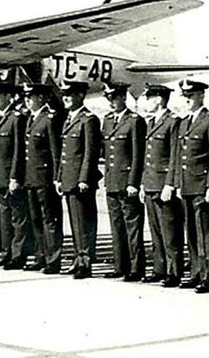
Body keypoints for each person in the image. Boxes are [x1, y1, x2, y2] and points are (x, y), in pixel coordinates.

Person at [173, 79, 209, 293]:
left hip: (203, 186)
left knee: (206, 232)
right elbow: (179, 156)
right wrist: (177, 182)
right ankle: (196, 273)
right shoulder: (184, 122)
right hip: (187, 185)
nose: (187, 100)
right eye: (184, 96)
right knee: (192, 233)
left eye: (191, 96)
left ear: (201, 96)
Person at [54, 81, 102, 279]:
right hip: (68, 178)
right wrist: (58, 178)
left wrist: (83, 179)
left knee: (83, 222)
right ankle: (78, 257)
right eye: (64, 94)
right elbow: (65, 154)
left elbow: (90, 153)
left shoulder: (88, 119)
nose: (65, 98)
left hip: (80, 181)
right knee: (75, 222)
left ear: (80, 96)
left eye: (69, 94)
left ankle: (86, 261)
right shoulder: (70, 118)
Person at [100, 82, 147, 281]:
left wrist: (133, 182)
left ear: (122, 98)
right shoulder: (108, 120)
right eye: (108, 99)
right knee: (116, 226)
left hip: (127, 182)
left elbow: (138, 155)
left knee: (132, 227)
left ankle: (136, 268)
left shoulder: (134, 121)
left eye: (114, 98)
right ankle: (120, 265)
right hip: (112, 181)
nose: (111, 103)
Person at [0, 82, 32, 270]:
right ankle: (6, 253)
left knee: (17, 218)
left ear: (8, 97)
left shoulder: (16, 118)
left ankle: (18, 255)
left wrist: (15, 176)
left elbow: (18, 151)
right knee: (4, 217)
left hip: (11, 176)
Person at [139, 84, 180, 285]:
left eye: (148, 98)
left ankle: (173, 272)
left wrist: (170, 184)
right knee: (155, 230)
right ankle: (159, 268)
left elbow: (175, 156)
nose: (145, 102)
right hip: (150, 183)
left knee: (169, 232)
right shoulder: (151, 122)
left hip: (163, 185)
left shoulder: (172, 121)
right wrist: (142, 184)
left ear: (159, 99)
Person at [22, 83, 63, 274]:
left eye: (31, 97)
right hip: (31, 177)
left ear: (41, 98)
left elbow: (55, 152)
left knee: (50, 219)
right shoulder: (32, 118)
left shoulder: (50, 119)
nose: (27, 100)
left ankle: (53, 260)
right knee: (36, 219)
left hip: (45, 177)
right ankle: (41, 256)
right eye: (26, 97)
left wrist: (57, 177)